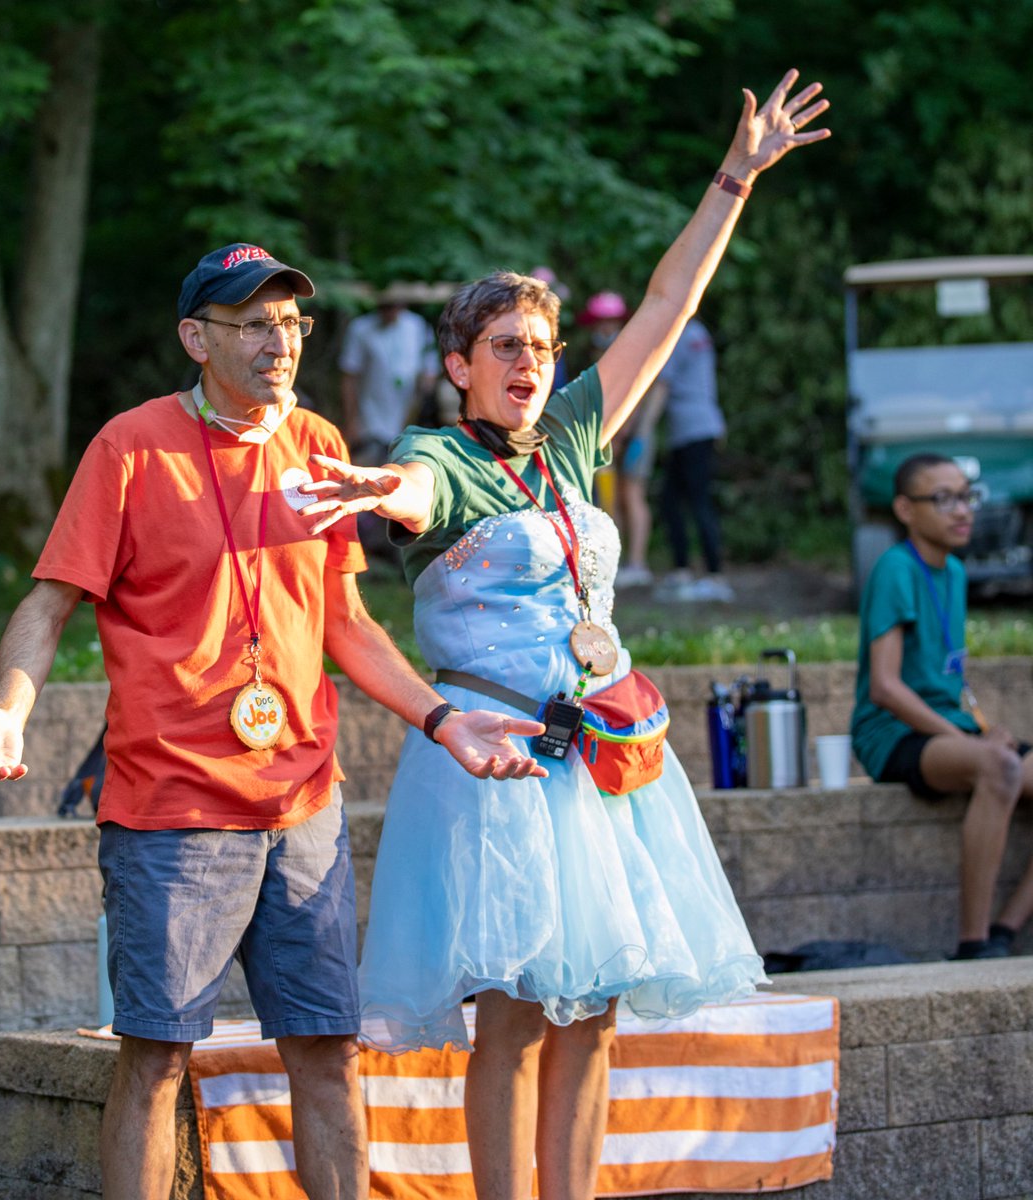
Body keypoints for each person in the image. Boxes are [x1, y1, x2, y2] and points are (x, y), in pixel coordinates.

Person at [300, 70, 830, 1200]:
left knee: (595, 1014)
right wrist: (372, 487)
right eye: (502, 345)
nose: (528, 360)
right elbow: (405, 486)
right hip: (495, 761)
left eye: (536, 342)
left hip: (603, 756)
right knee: (518, 1015)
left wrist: (735, 179)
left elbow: (663, 309)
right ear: (459, 366)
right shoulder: (440, 454)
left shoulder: (574, 435)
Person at [0, 242, 546, 1200]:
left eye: (293, 323)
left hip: (305, 805)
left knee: (328, 1050)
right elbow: (49, 603)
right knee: (157, 1057)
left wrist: (443, 719)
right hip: (172, 809)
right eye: (255, 323)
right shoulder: (130, 447)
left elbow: (346, 622)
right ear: (196, 338)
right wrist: (9, 714)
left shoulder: (318, 445)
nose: (281, 342)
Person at [851, 453, 1033, 960]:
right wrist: (968, 743)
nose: (962, 511)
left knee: (1004, 756)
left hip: (947, 728)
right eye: (944, 498)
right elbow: (886, 688)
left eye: (967, 496)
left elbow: (946, 678)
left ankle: (1005, 929)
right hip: (891, 733)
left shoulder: (953, 570)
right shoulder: (895, 568)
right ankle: (973, 943)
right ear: (906, 509)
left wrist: (981, 729)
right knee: (1000, 766)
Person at [580, 291, 665, 588]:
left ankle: (637, 562)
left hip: (631, 438)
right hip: (609, 438)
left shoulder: (630, 351)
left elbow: (636, 396)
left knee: (632, 494)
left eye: (609, 322)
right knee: (608, 499)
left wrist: (627, 433)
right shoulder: (599, 353)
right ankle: (612, 563)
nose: (604, 328)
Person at [651, 315, 735, 603]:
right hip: (701, 426)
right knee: (673, 500)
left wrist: (642, 430)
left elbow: (662, 386)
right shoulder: (700, 331)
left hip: (692, 430)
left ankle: (714, 575)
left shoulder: (680, 336)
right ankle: (684, 570)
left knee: (696, 501)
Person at [338, 283, 440, 466]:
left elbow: (430, 369)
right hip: (370, 418)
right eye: (385, 306)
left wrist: (423, 397)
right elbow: (350, 375)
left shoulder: (418, 326)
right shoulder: (361, 328)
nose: (390, 311)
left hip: (407, 415)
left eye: (395, 305)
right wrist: (352, 420)